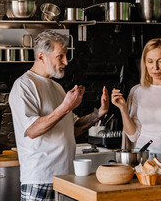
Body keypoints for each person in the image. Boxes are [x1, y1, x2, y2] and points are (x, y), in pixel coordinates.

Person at [9, 30, 109, 201]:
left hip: (66, 178)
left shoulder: (57, 88)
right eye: (60, 56)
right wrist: (65, 107)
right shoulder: (23, 86)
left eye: (66, 56)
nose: (66, 62)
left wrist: (99, 113)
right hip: (40, 178)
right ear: (41, 57)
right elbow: (32, 130)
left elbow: (74, 128)